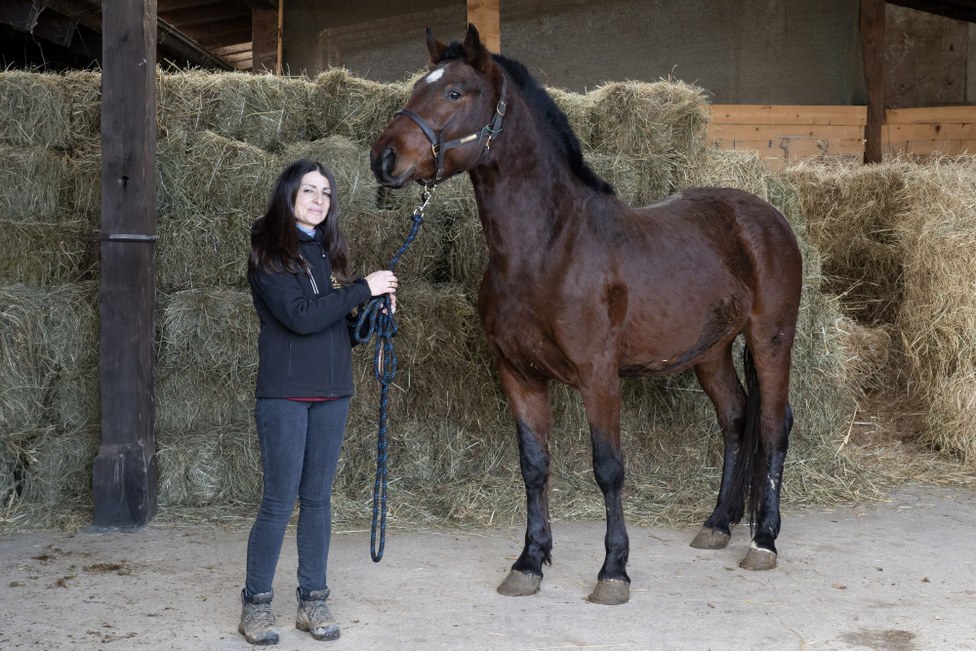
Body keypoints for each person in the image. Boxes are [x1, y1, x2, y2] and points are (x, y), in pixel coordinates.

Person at [239, 159, 398, 645]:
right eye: (309, 190)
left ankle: (313, 600)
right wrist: (359, 290)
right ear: (288, 196)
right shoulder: (268, 252)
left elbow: (335, 329)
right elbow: (300, 318)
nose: (318, 199)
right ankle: (257, 606)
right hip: (285, 393)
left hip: (333, 392)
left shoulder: (325, 252)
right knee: (278, 501)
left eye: (326, 193)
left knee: (318, 500)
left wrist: (370, 310)